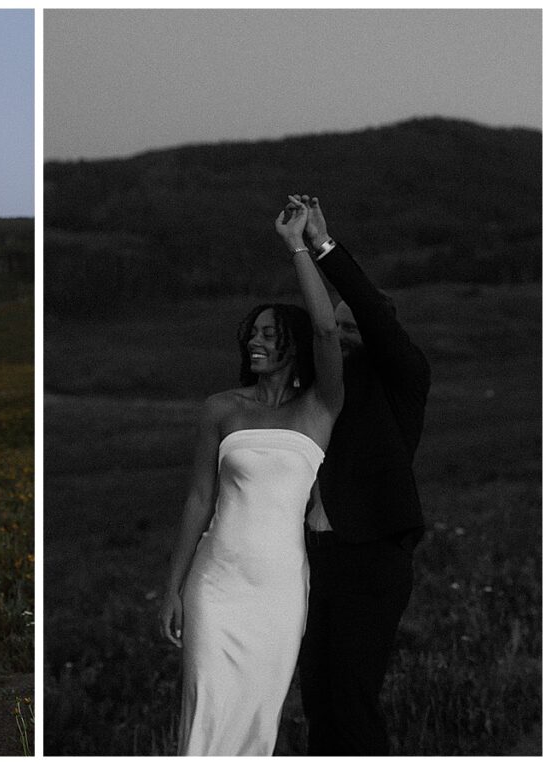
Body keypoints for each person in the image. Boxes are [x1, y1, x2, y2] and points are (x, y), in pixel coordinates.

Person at [158, 195, 344, 756]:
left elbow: (328, 330)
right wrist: (172, 589)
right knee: (205, 717)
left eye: (268, 334)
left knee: (259, 725)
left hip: (281, 590)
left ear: (292, 344)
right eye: (252, 334)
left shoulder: (320, 407)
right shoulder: (221, 408)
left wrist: (301, 247)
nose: (254, 341)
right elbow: (197, 500)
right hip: (216, 584)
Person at [295, 196, 431, 755]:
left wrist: (320, 247)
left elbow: (367, 312)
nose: (341, 333)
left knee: (351, 701)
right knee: (318, 701)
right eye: (337, 326)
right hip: (317, 559)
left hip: (373, 556)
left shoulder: (404, 377)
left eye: (353, 325)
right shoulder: (324, 393)